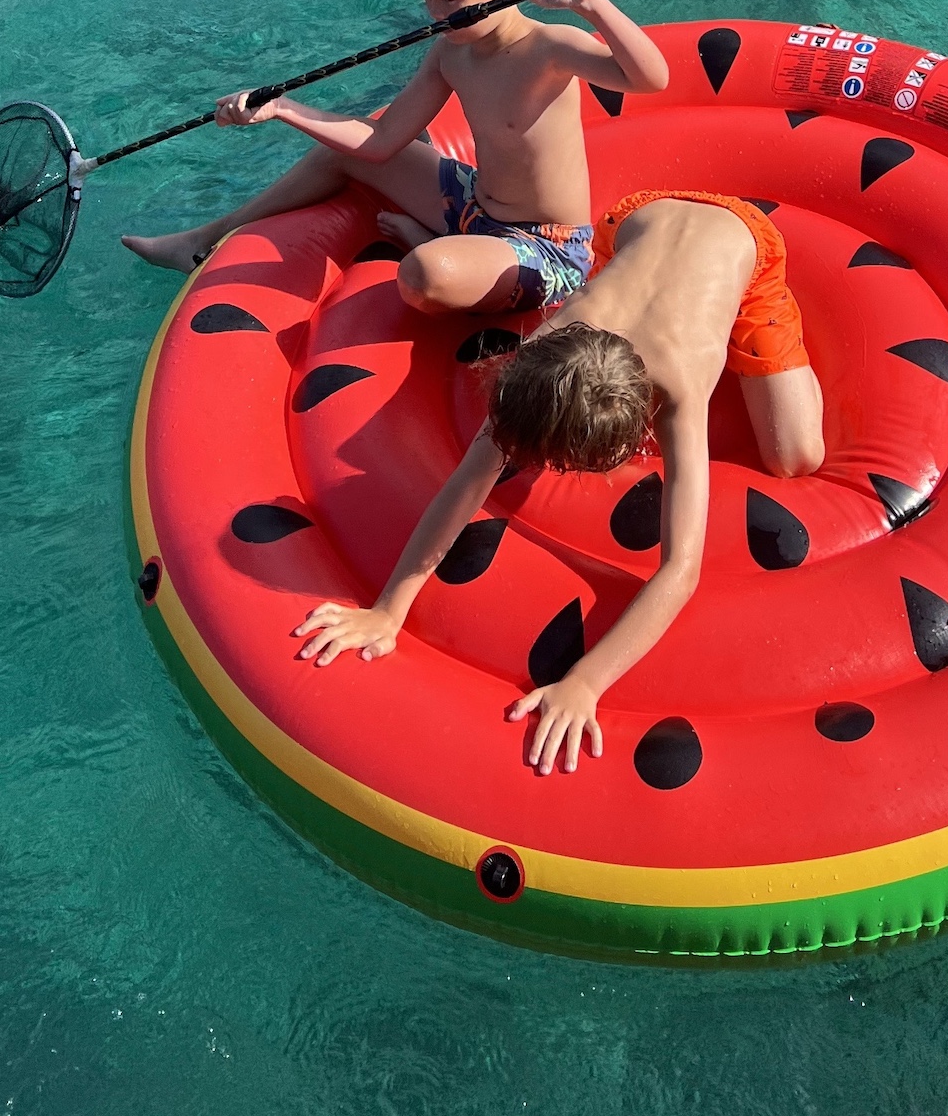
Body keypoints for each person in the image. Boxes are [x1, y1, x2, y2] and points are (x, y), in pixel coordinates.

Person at [291, 190, 825, 776]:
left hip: (742, 238)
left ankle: (767, 312)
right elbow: (468, 481)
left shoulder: (681, 384)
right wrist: (389, 610)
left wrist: (586, 682)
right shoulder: (546, 354)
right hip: (631, 222)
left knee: (796, 456)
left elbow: (680, 570)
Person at [120, 0, 670, 315]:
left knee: (423, 276)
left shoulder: (551, 48)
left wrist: (589, 4)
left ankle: (430, 242)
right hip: (472, 203)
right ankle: (204, 239)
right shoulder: (450, 52)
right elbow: (381, 141)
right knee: (340, 153)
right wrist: (284, 108)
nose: (435, 13)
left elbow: (651, 80)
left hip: (545, 246)